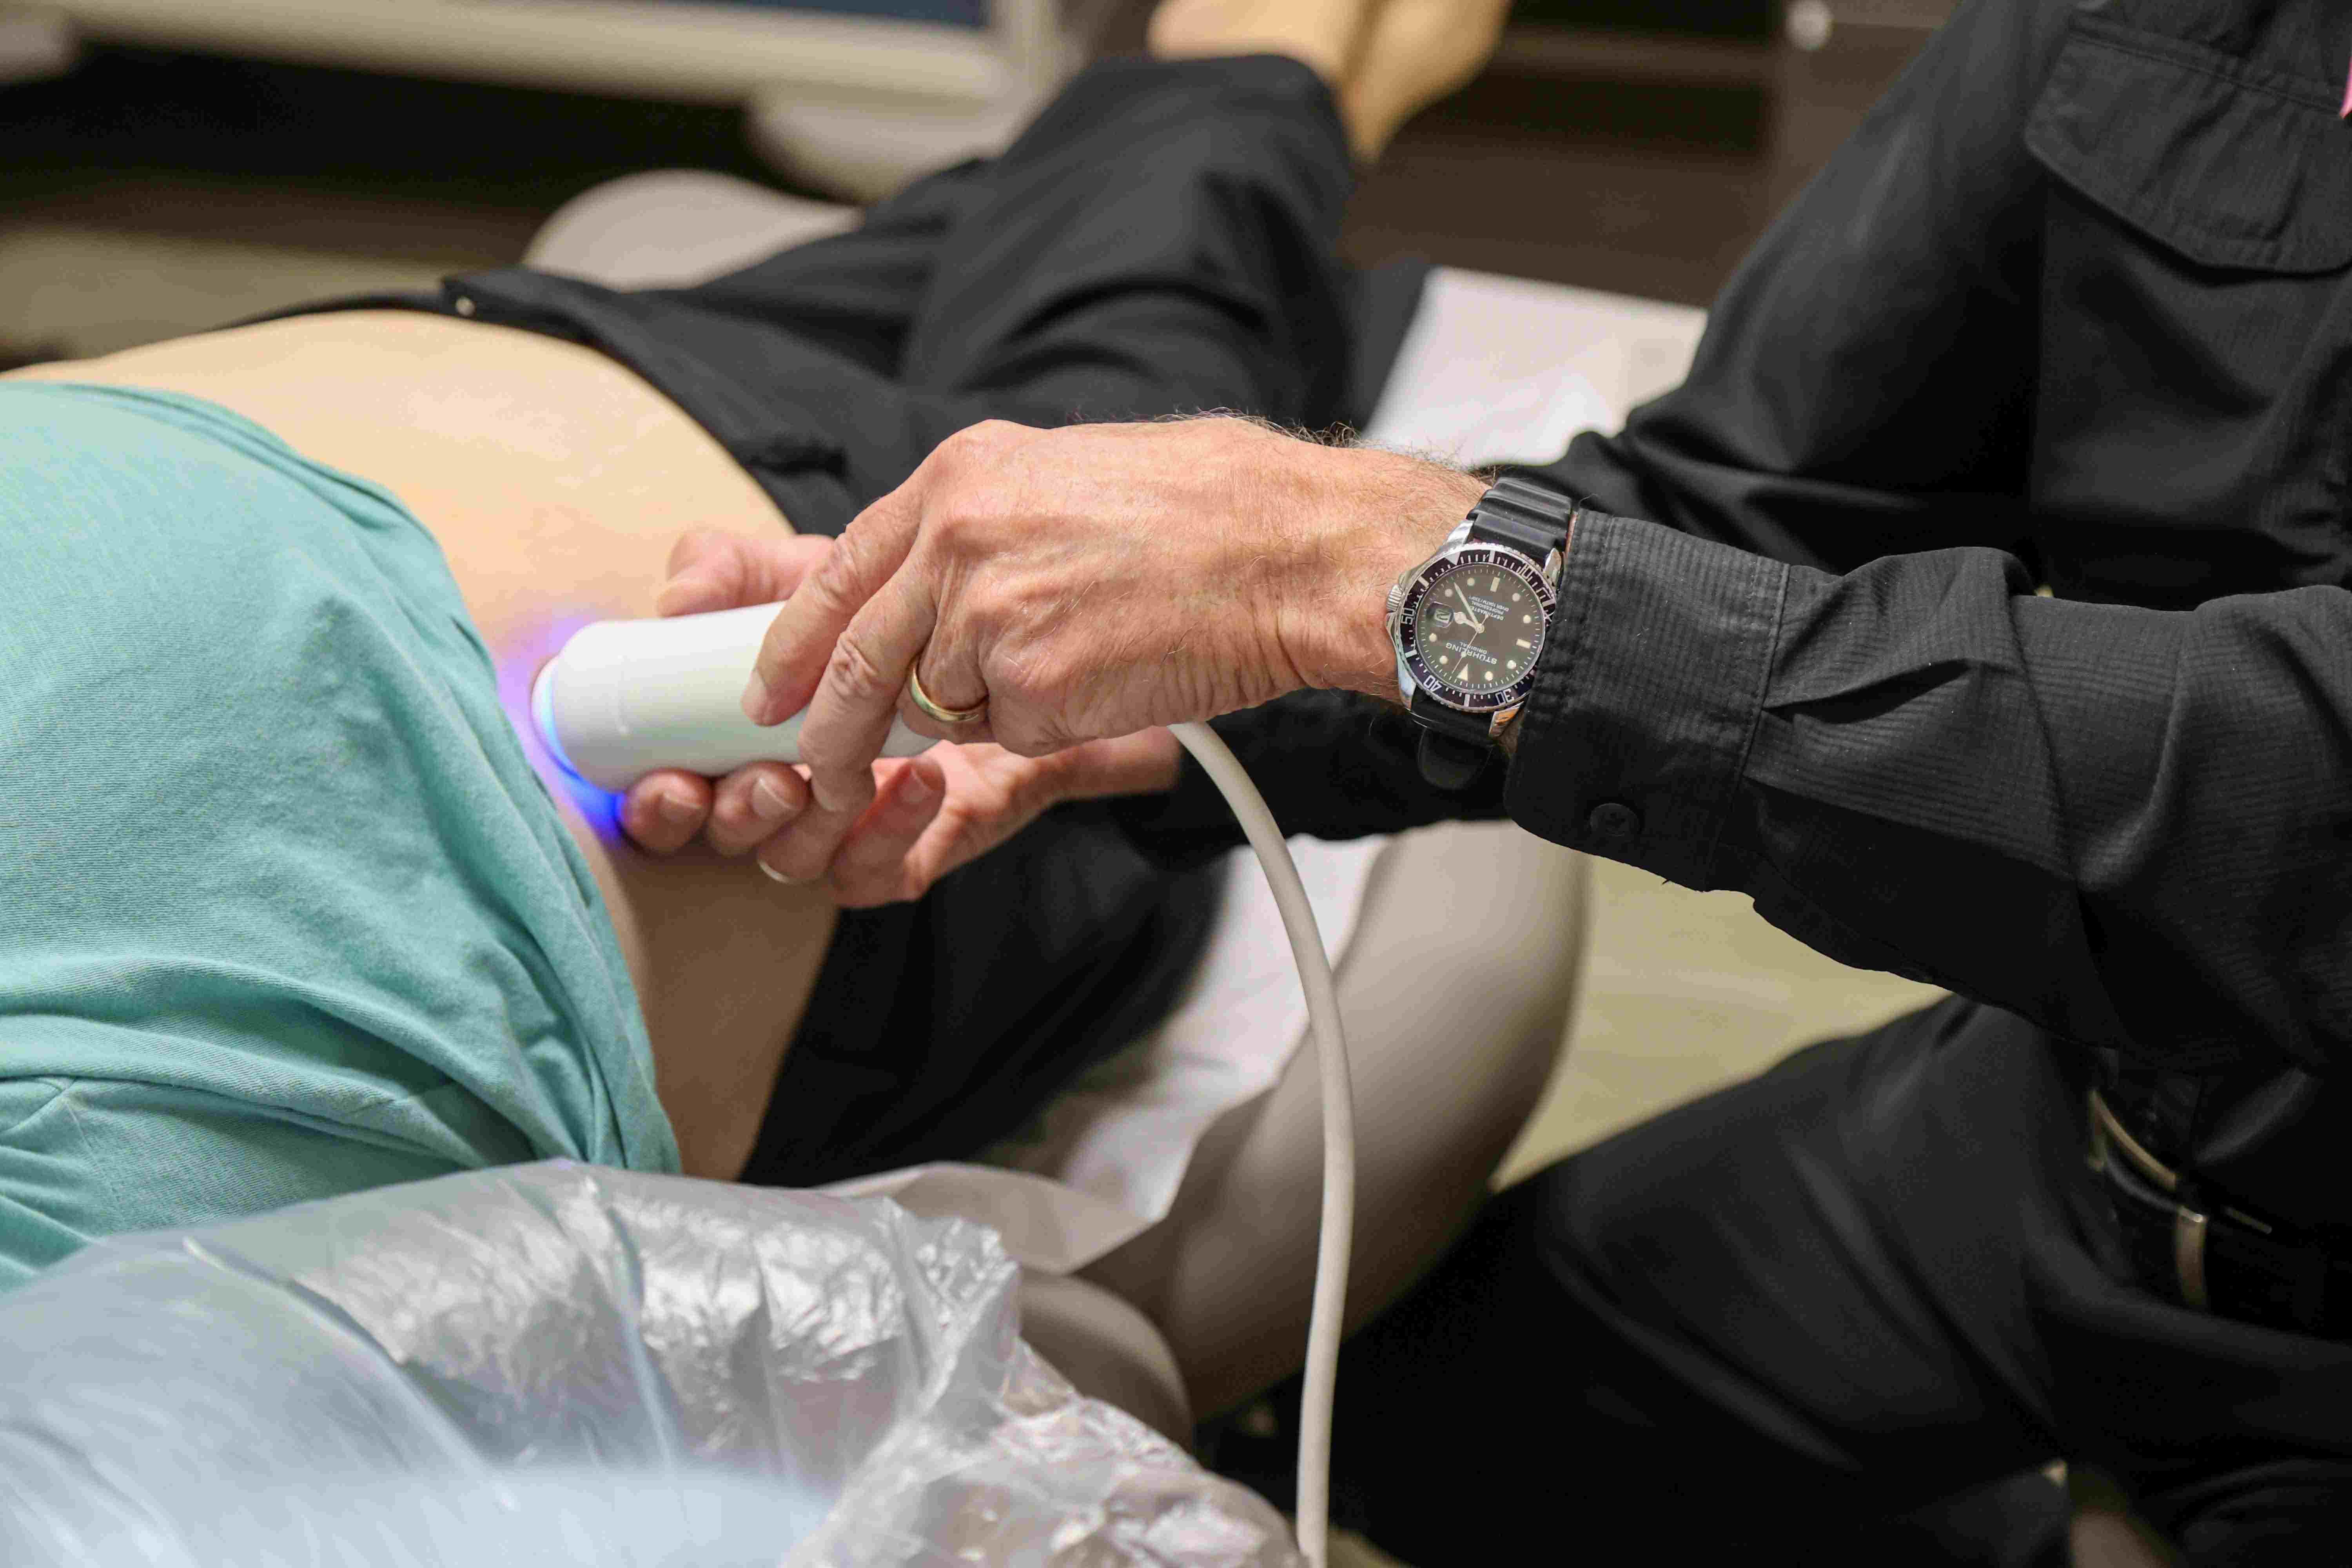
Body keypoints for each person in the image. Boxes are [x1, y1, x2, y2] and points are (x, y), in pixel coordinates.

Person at [685, 0, 2352, 1559]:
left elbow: (2288, 790)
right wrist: (1202, 693)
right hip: (2089, 1127)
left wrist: (1371, 568)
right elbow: (1755, 494)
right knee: (1397, 1436)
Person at [0, 0, 1584, 1423]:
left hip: (466, 352)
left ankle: (1211, 113)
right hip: (879, 747)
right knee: (1150, 286)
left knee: (1054, 223)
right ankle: (1278, 66)